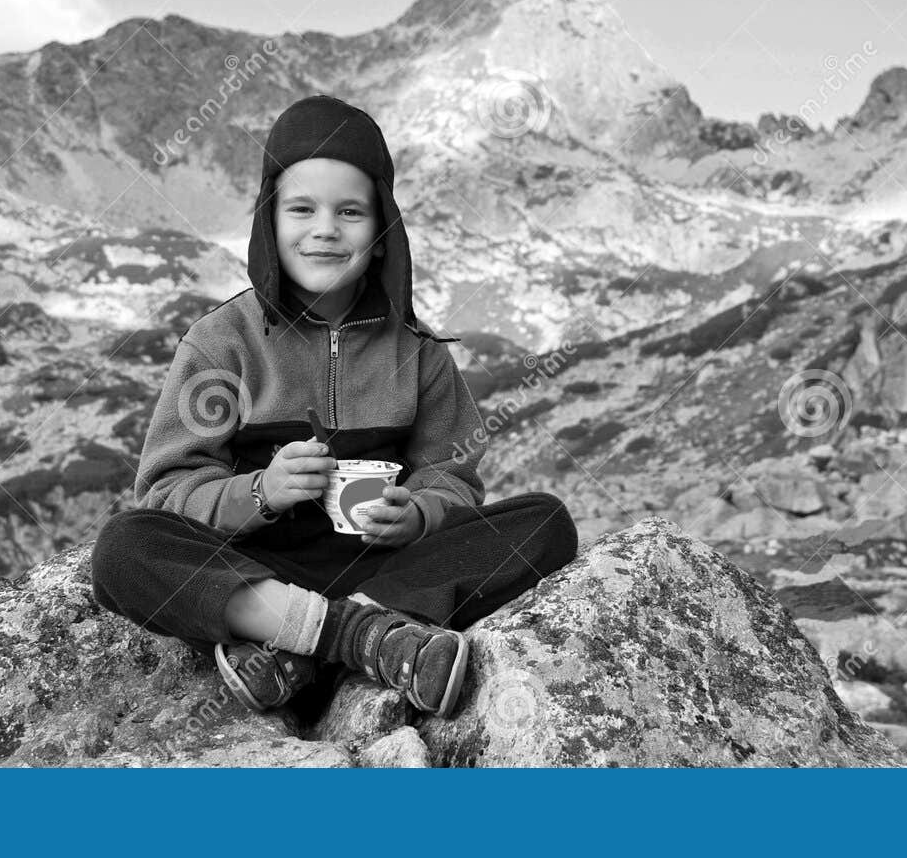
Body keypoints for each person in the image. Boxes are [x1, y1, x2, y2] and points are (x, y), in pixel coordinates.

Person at [90, 94, 577, 718]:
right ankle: (365, 640)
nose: (325, 229)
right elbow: (165, 493)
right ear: (270, 224)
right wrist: (260, 492)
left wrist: (420, 514)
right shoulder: (220, 344)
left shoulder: (419, 352)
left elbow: (452, 476)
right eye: (301, 209)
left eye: (350, 211)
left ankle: (300, 647)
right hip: (261, 567)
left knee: (544, 522)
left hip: (385, 569)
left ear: (380, 236)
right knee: (126, 547)